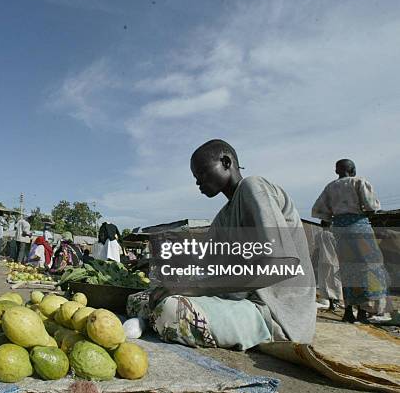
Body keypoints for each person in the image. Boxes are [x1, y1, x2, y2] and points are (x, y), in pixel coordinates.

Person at [127, 139, 316, 350]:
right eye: (195, 177)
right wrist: (158, 262)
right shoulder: (223, 218)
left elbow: (282, 265)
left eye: (202, 173)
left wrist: (190, 287)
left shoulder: (254, 187)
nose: (198, 182)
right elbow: (201, 264)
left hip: (275, 313)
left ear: (226, 161)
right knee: (140, 299)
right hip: (241, 301)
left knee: (171, 312)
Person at [312, 159, 389, 323]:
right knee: (368, 268)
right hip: (359, 229)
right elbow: (371, 206)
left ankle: (348, 311)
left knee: (347, 269)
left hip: (340, 230)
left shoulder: (330, 187)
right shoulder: (359, 182)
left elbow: (321, 213)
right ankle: (362, 311)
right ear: (353, 169)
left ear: (336, 171)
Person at [314, 221, 343, 311]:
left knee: (325, 282)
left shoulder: (318, 235)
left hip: (322, 262)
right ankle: (335, 302)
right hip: (334, 261)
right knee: (335, 282)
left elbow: (317, 249)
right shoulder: (332, 235)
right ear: (330, 225)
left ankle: (331, 303)